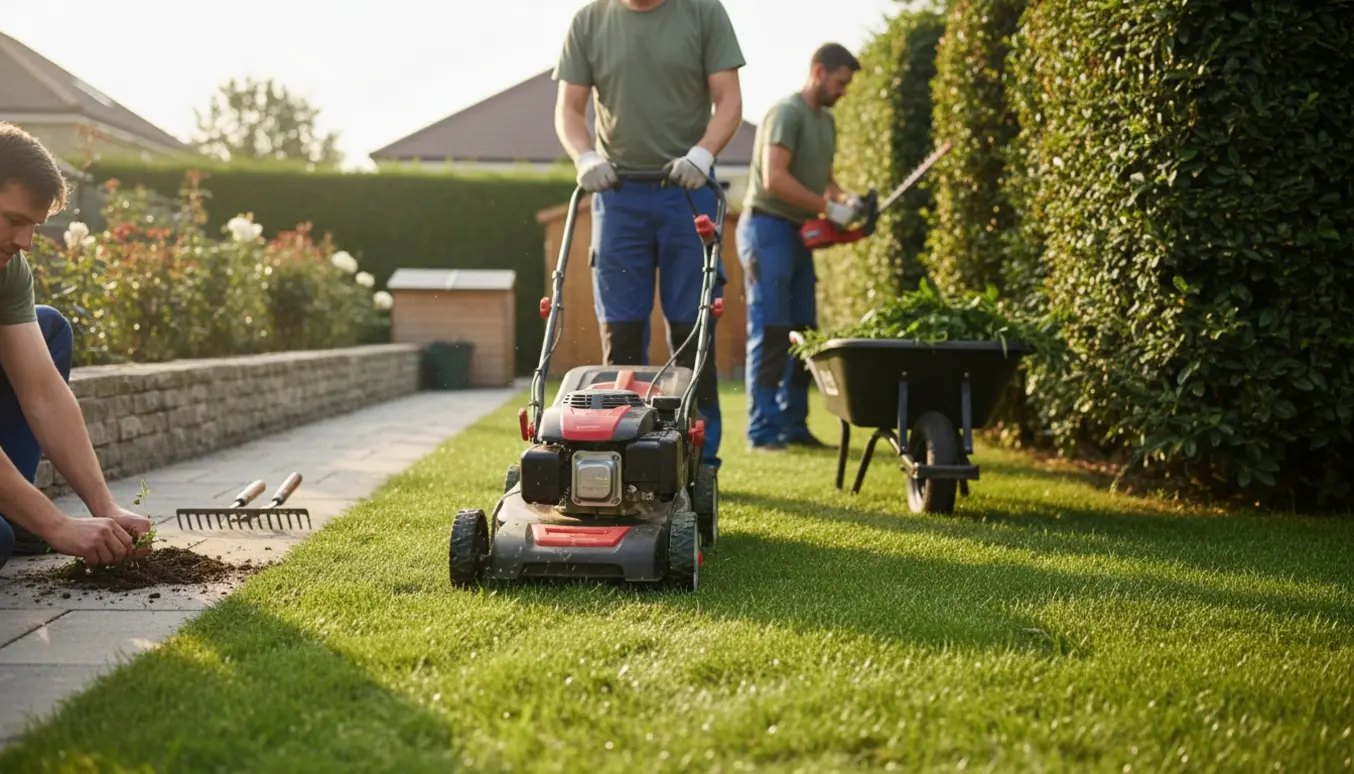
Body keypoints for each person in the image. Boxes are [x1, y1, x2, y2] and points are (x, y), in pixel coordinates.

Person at [552, 0, 746, 470]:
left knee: (692, 329)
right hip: (617, 192)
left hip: (688, 188)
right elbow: (570, 109)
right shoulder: (590, 20)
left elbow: (729, 100)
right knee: (621, 335)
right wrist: (584, 157)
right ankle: (621, 452)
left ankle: (700, 456)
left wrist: (703, 154)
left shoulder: (702, 12)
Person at [0, 122, 152, 571]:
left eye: (33, 226)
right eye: (14, 221)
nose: (25, 242)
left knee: (47, 327)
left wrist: (105, 506)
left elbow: (43, 393)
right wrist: (56, 524)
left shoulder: (8, 267)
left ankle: (16, 513)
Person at [736, 43, 866, 451]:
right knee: (772, 329)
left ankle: (794, 424)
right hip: (767, 228)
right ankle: (762, 430)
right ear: (819, 71)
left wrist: (847, 201)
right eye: (840, 83)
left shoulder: (826, 122)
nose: (843, 91)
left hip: (798, 231)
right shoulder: (787, 113)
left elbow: (825, 180)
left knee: (803, 332)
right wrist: (828, 208)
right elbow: (775, 178)